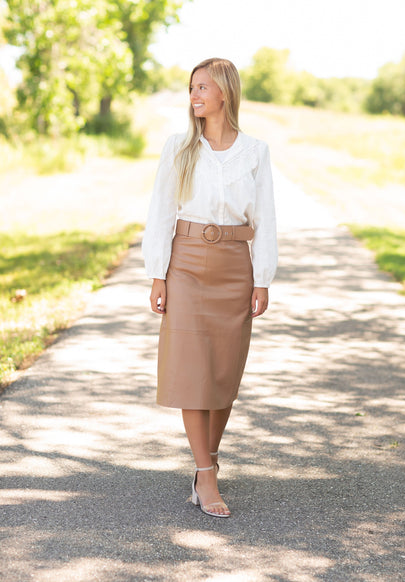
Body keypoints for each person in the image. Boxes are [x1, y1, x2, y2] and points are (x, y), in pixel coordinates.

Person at [142, 57, 278, 518]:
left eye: (203, 87)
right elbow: (161, 210)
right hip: (186, 264)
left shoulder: (256, 152)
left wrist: (262, 278)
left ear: (225, 92)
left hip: (234, 267)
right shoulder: (178, 147)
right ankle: (206, 474)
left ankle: (207, 462)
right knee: (191, 372)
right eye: (191, 87)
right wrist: (158, 272)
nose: (194, 95)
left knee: (222, 375)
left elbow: (266, 220)